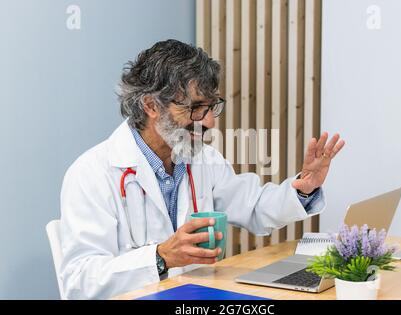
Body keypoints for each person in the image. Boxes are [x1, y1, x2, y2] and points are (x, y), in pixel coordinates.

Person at [60, 39, 345, 299]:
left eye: (212, 107)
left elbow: (254, 207)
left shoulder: (202, 159)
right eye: (196, 109)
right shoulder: (91, 173)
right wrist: (160, 258)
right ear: (150, 105)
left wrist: (304, 187)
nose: (210, 123)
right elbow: (79, 280)